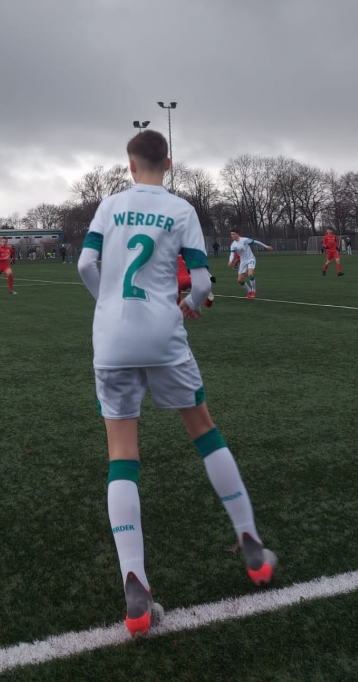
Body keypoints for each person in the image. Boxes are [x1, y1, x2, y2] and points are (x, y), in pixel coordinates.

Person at [77, 130, 274, 637]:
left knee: (122, 455)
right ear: (168, 163)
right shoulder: (181, 209)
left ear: (130, 165)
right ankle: (250, 542)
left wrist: (108, 305)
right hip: (163, 335)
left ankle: (135, 582)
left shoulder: (109, 206)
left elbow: (85, 264)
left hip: (112, 340)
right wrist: (186, 305)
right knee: (204, 431)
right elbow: (203, 282)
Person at [228, 230, 273, 298]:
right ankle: (249, 291)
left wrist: (266, 246)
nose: (232, 236)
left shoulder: (244, 240)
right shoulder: (233, 245)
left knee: (250, 274)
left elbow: (256, 242)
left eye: (233, 234)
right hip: (243, 261)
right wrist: (230, 261)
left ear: (237, 234)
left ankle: (253, 291)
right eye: (231, 234)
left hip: (250, 259)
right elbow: (232, 254)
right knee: (240, 280)